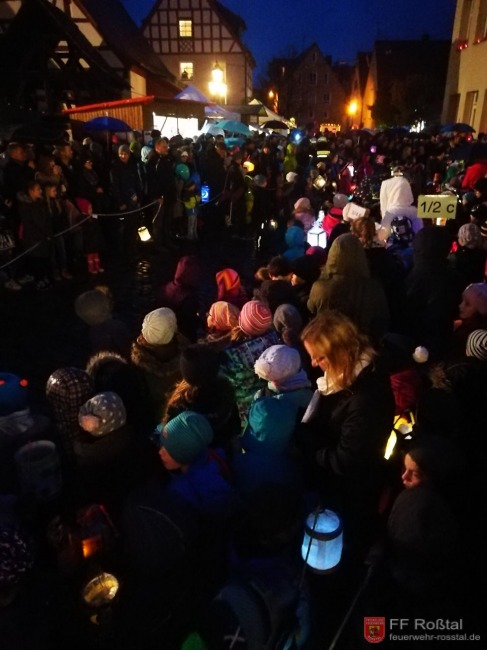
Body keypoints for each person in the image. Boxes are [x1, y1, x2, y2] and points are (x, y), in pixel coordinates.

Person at [297, 311, 395, 556]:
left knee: (346, 540)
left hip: (351, 492)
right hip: (339, 479)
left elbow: (347, 460)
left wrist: (310, 446)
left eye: (319, 357)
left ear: (339, 352)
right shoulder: (345, 376)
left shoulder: (365, 398)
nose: (313, 364)